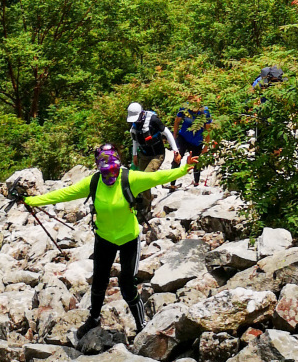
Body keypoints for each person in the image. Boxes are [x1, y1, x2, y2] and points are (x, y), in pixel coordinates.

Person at [17, 142, 197, 338]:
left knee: (127, 285)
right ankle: (94, 319)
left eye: (112, 170)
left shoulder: (130, 178)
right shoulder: (93, 183)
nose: (109, 175)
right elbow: (63, 194)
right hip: (104, 238)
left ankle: (141, 324)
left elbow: (157, 177)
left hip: (129, 238)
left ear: (118, 164)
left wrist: (184, 169)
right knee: (99, 283)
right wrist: (30, 200)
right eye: (105, 171)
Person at [126, 102, 179, 221]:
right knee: (138, 181)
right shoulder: (135, 125)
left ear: (141, 114)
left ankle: (146, 208)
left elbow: (167, 133)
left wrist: (175, 150)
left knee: (145, 180)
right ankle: (142, 204)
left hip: (157, 154)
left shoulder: (153, 120)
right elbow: (135, 140)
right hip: (143, 154)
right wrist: (134, 154)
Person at [172, 98, 211, 184]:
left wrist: (206, 146)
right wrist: (174, 136)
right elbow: (177, 121)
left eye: (196, 101)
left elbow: (208, 129)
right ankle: (172, 183)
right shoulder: (185, 108)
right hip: (183, 137)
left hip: (197, 140)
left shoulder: (205, 112)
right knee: (177, 158)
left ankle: (196, 182)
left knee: (196, 161)